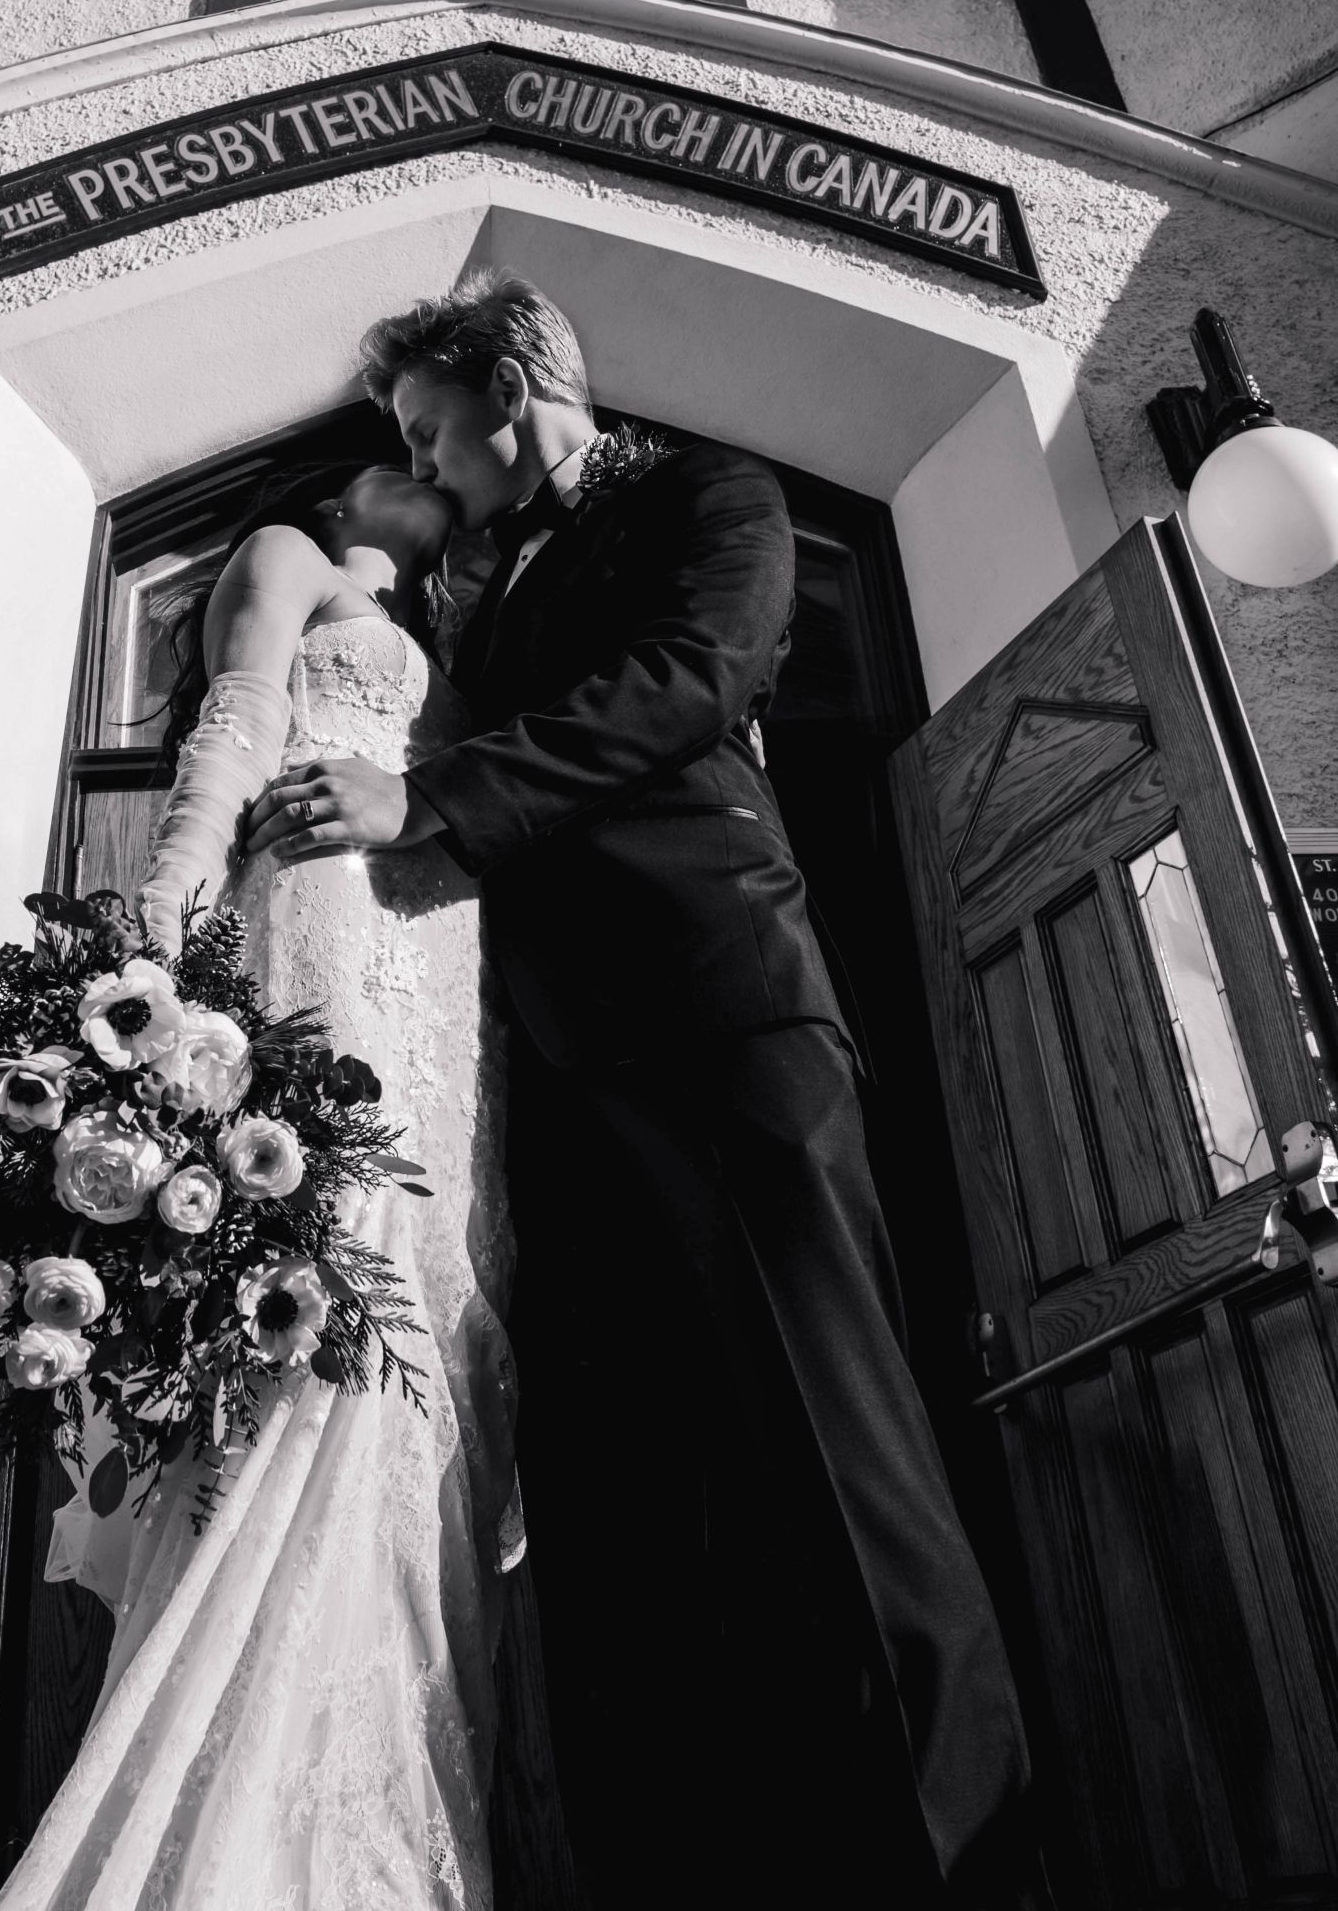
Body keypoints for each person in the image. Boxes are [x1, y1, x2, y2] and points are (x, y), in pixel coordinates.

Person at [247, 275, 1035, 1908]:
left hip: (720, 1018)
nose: (423, 461)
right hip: (556, 1079)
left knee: (829, 1449)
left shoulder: (711, 494)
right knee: (621, 1503)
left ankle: (948, 1857)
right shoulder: (475, 576)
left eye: (427, 428)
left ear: (516, 381)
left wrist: (427, 793)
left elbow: (690, 674)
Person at [0, 463, 516, 1911]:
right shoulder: (292, 549)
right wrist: (163, 905)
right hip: (330, 907)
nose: (416, 464)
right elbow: (239, 714)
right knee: (340, 1237)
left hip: (448, 944)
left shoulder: (471, 617)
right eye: (395, 441)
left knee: (440, 1285)